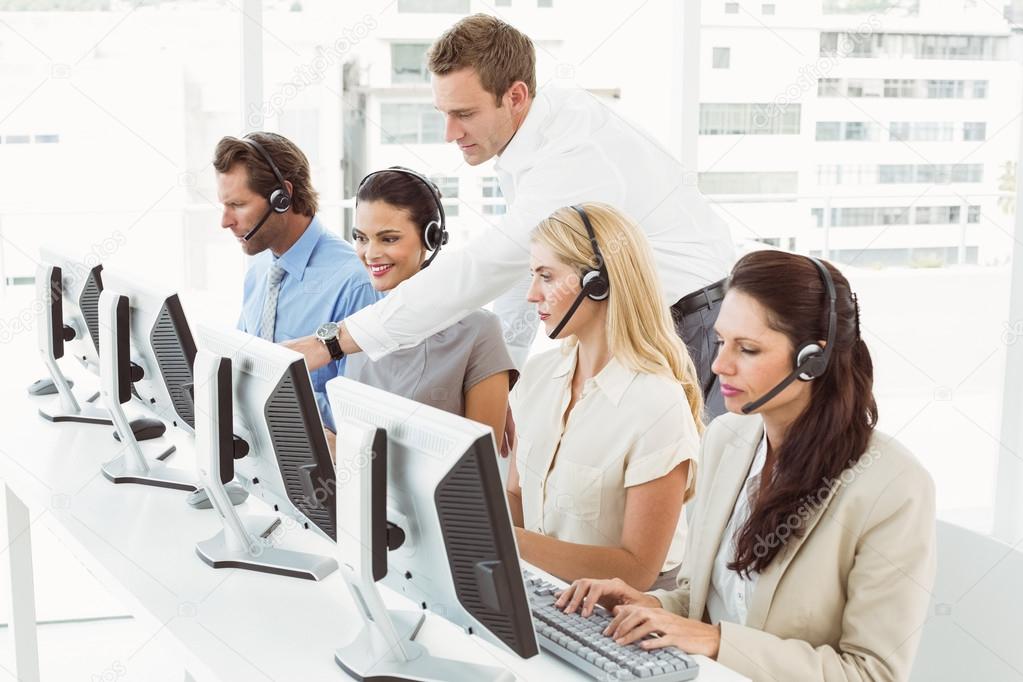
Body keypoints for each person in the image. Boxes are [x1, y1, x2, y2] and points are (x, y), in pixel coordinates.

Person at [285, 13, 735, 426]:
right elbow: (526, 268)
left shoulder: (571, 154)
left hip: (687, 326)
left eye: (464, 114)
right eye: (444, 114)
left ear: (515, 96)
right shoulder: (533, 135)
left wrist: (335, 341)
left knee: (685, 496)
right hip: (651, 324)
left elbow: (487, 265)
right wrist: (509, 377)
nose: (450, 133)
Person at [555, 251, 937, 682]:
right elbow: (701, 599)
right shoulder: (726, 439)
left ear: (812, 360)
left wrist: (718, 642)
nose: (719, 366)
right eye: (721, 342)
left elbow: (871, 673)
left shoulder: (893, 488)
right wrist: (649, 606)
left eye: (748, 349)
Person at [507, 203, 704, 592]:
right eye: (533, 276)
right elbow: (516, 494)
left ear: (598, 283)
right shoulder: (537, 376)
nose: (532, 295)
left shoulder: (655, 404)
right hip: (539, 593)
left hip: (621, 613)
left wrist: (508, 542)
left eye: (547, 277)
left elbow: (638, 569)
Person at [340, 167, 516, 450]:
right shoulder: (361, 322)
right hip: (357, 490)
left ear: (431, 239)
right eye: (361, 237)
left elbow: (481, 472)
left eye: (389, 238)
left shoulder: (479, 331)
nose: (370, 254)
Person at [214, 132, 379, 430]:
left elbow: (359, 414)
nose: (225, 221)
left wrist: (266, 399)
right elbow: (242, 364)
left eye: (237, 205)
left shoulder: (354, 282)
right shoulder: (259, 269)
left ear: (282, 198)